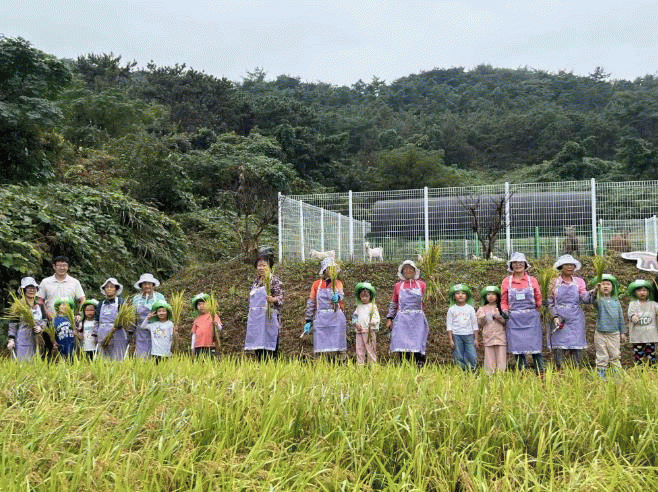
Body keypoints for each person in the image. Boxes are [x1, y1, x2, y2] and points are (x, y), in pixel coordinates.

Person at [501, 252, 545, 373]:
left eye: (521, 262)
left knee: (535, 346)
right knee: (518, 347)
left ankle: (540, 371)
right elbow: (504, 300)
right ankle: (522, 371)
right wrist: (504, 310)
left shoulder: (532, 280)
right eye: (515, 263)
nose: (518, 265)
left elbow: (538, 298)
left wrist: (540, 309)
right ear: (511, 265)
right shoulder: (506, 281)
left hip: (531, 318)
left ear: (525, 265)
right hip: (514, 319)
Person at [548, 254, 593, 369]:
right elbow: (550, 302)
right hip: (560, 318)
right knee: (559, 347)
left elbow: (584, 298)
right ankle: (560, 371)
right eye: (567, 265)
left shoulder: (579, 281)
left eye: (572, 265)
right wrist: (555, 317)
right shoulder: (554, 282)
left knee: (576, 346)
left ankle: (576, 371)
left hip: (575, 318)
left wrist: (593, 292)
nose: (570, 267)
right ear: (561, 267)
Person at [386, 260, 429, 367]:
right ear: (402, 271)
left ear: (415, 271)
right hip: (402, 319)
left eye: (411, 269)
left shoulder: (422, 285)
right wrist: (390, 318)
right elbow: (394, 303)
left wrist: (431, 291)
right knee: (402, 343)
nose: (408, 271)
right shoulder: (398, 286)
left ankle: (419, 366)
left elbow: (427, 301)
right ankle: (404, 366)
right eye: (406, 269)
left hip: (417, 319)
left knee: (418, 342)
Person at [303, 257, 347, 359]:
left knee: (338, 343)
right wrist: (308, 320)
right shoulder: (316, 284)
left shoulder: (338, 283)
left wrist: (338, 298)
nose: (332, 271)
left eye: (333, 269)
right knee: (320, 344)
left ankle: (341, 361)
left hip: (336, 317)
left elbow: (341, 295)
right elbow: (311, 302)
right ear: (324, 271)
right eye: (329, 269)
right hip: (321, 319)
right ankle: (321, 363)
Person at [244, 254, 284, 360]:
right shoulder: (256, 282)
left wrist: (273, 299)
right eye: (259, 265)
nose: (261, 268)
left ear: (269, 267)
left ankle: (272, 365)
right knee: (258, 345)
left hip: (269, 317)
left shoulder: (274, 281)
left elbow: (281, 297)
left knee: (270, 344)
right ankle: (261, 365)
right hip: (256, 318)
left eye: (264, 265)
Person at [591, 274, 626, 378]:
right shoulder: (599, 300)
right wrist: (595, 290)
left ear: (612, 287)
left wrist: (622, 332)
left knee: (615, 355)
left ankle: (617, 377)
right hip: (600, 333)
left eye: (608, 284)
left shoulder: (616, 301)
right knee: (602, 355)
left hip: (614, 333)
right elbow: (592, 299)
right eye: (603, 284)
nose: (605, 286)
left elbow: (620, 317)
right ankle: (601, 377)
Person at [7, 277, 48, 360]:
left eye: (33, 288)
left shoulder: (40, 304)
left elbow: (45, 320)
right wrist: (11, 339)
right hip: (23, 339)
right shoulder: (18, 305)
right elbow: (13, 323)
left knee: (37, 362)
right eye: (28, 288)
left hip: (38, 339)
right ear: (24, 290)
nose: (31, 290)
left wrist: (40, 327)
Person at [131, 273, 166, 359]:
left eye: (149, 284)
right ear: (141, 286)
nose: (147, 286)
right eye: (144, 284)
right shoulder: (136, 299)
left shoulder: (160, 297)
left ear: (153, 285)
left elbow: (165, 313)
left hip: (156, 330)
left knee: (156, 356)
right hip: (141, 331)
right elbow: (132, 315)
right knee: (141, 356)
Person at [446, 284, 478, 371]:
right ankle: (462, 371)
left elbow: (475, 324)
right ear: (454, 296)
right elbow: (449, 325)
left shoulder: (470, 309)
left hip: (469, 335)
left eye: (463, 293)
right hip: (456, 335)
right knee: (458, 354)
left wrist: (476, 338)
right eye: (457, 293)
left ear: (467, 296)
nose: (460, 295)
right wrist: (450, 339)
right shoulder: (451, 309)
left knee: (471, 354)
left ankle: (473, 369)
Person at [94, 278, 128, 360]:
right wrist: (95, 334)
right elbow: (97, 320)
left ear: (116, 289)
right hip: (103, 334)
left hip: (117, 334)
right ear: (104, 290)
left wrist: (118, 325)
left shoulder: (121, 302)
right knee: (103, 360)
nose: (109, 289)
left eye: (112, 287)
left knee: (118, 359)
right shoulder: (101, 304)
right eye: (107, 287)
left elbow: (125, 320)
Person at [476, 285, 507, 373]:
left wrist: (498, 316)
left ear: (497, 296)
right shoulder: (482, 309)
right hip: (488, 336)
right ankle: (489, 374)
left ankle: (501, 374)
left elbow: (505, 322)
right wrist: (482, 318)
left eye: (493, 294)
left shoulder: (501, 308)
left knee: (501, 356)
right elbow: (480, 324)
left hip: (500, 336)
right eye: (488, 294)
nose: (491, 296)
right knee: (489, 357)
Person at [627, 279, 658, 365]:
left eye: (644, 290)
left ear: (648, 292)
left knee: (651, 353)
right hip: (638, 335)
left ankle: (651, 367)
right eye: (639, 290)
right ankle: (639, 368)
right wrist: (633, 316)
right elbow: (630, 314)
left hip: (650, 335)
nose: (642, 293)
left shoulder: (653, 304)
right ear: (635, 292)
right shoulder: (633, 304)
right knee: (638, 354)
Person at [351, 282, 380, 365]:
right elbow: (354, 317)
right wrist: (356, 324)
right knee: (359, 349)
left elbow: (376, 317)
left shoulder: (372, 306)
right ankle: (360, 364)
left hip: (369, 331)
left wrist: (372, 322)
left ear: (370, 296)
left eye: (366, 296)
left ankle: (372, 365)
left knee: (371, 349)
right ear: (359, 297)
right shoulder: (358, 307)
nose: (364, 298)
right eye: (362, 296)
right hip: (360, 331)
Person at [191, 293, 223, 357]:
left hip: (210, 345)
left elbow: (219, 328)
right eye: (199, 304)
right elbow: (194, 334)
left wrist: (216, 324)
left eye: (204, 304)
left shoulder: (213, 316)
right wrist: (192, 347)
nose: (201, 306)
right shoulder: (197, 319)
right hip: (198, 346)